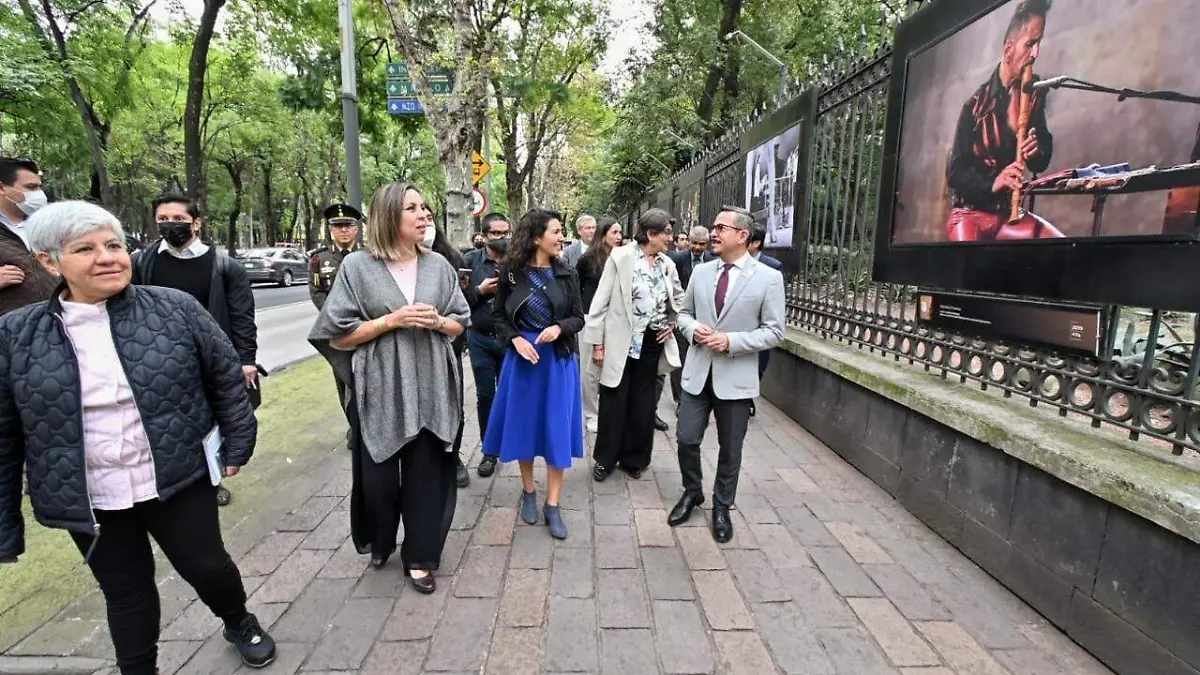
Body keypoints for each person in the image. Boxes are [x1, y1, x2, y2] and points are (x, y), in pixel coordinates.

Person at [0, 201, 276, 674]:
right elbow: (5, 434)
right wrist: (7, 525)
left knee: (208, 567)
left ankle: (238, 620)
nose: (107, 257)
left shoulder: (173, 309)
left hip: (176, 475)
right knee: (125, 592)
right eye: (84, 249)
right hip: (88, 495)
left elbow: (226, 377)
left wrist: (236, 444)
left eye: (113, 244)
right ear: (49, 261)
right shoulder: (15, 334)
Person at [308, 182, 468, 594]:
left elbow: (459, 322)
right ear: (387, 216)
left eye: (424, 207)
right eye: (411, 208)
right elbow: (336, 336)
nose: (423, 214)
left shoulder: (438, 267)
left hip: (431, 385)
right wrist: (390, 321)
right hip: (380, 387)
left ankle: (419, 555)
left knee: (426, 475)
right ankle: (381, 539)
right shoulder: (358, 268)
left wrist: (438, 323)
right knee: (378, 482)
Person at [132, 193, 258, 508]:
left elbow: (242, 318)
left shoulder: (223, 267)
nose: (170, 225)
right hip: (157, 361)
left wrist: (246, 361)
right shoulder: (141, 264)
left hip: (209, 359)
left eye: (178, 220)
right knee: (170, 423)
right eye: (163, 220)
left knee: (211, 423)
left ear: (196, 223)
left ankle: (212, 480)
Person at [669, 206, 785, 542]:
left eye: (721, 227)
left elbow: (775, 332)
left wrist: (731, 341)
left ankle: (722, 506)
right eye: (713, 226)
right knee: (686, 437)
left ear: (743, 236)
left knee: (730, 448)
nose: (713, 233)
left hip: (736, 377)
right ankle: (693, 491)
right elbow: (684, 313)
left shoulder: (768, 278)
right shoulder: (703, 272)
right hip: (697, 371)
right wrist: (693, 330)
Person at [482, 208, 585, 539]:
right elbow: (498, 316)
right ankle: (528, 491)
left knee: (555, 429)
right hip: (523, 361)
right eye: (556, 231)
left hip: (557, 361)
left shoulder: (567, 273)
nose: (562, 237)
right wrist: (513, 339)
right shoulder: (511, 273)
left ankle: (552, 504)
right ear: (537, 237)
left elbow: (578, 318)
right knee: (525, 427)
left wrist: (559, 327)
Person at [944, 0, 1064, 242]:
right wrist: (993, 183)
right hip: (970, 215)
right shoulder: (974, 106)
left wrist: (1036, 148)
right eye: (1030, 44)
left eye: (1038, 43)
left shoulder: (1033, 92)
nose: (1036, 53)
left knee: (1060, 247)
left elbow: (1041, 160)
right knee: (967, 270)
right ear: (1009, 49)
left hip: (1007, 216)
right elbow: (955, 172)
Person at [583, 208, 684, 482]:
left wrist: (672, 323)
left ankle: (635, 459)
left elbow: (679, 298)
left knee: (642, 404)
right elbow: (600, 302)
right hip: (620, 342)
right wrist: (596, 344)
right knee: (614, 401)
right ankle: (605, 459)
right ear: (650, 234)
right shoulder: (621, 257)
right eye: (667, 233)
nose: (671, 239)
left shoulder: (666, 264)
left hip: (651, 343)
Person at [462, 213, 511, 478]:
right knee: (486, 396)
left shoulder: (519, 261)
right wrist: (480, 291)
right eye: (496, 234)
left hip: (509, 340)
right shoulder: (469, 262)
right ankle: (489, 450)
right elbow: (458, 303)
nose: (502, 238)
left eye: (505, 233)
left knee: (507, 395)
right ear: (483, 236)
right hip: (480, 338)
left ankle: (509, 442)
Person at [427, 214, 474, 489]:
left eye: (429, 216)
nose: (424, 222)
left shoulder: (452, 259)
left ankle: (453, 456)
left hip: (447, 345)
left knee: (453, 403)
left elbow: (463, 307)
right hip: (412, 347)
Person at [309, 202, 362, 443]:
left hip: (366, 325)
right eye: (337, 226)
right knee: (343, 376)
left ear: (356, 229)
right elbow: (317, 292)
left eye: (348, 226)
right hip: (337, 329)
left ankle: (368, 422)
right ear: (330, 229)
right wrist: (335, 319)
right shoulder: (320, 259)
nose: (343, 231)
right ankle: (353, 424)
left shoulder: (368, 255)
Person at [576, 217, 623, 433]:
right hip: (589, 318)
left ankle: (607, 410)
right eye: (614, 232)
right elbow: (577, 289)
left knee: (609, 364)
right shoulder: (588, 259)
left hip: (614, 319)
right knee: (589, 368)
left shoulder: (623, 258)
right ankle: (591, 413)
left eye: (620, 233)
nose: (619, 237)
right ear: (603, 235)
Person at [659, 225, 713, 411]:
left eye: (702, 244)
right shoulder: (677, 259)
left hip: (705, 317)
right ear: (689, 241)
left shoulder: (712, 261)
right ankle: (681, 399)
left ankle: (699, 392)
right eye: (695, 243)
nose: (698, 248)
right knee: (680, 357)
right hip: (682, 316)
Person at [0, 157, 58, 316]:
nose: (38, 194)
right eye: (31, 188)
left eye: (39, 187)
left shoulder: (50, 227)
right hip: (9, 333)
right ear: (2, 188)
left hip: (56, 325)